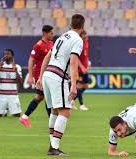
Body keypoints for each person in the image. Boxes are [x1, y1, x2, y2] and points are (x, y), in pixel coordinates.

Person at [36, 14, 85, 156]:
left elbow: (47, 57)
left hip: (47, 75)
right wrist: (74, 85)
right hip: (58, 77)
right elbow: (74, 62)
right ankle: (54, 147)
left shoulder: (62, 37)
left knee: (54, 111)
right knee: (65, 112)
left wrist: (40, 77)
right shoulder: (78, 40)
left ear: (70, 24)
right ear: (82, 27)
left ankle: (52, 145)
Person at [19, 25, 54, 128]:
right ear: (45, 33)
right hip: (40, 75)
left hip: (48, 74)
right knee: (48, 98)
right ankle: (52, 125)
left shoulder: (52, 44)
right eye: (51, 33)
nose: (53, 35)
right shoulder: (38, 45)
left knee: (40, 97)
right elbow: (31, 60)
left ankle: (24, 117)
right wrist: (30, 76)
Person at [0, 49, 22, 117]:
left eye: (8, 54)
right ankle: (5, 110)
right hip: (2, 95)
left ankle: (6, 109)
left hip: (13, 95)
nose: (6, 56)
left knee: (17, 115)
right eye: (4, 54)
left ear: (12, 56)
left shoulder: (17, 66)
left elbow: (19, 81)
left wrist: (15, 70)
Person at [71, 30, 90, 111]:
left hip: (85, 68)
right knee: (78, 86)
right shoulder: (78, 44)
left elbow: (85, 56)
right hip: (78, 69)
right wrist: (81, 67)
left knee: (85, 86)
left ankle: (71, 101)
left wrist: (87, 64)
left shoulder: (86, 42)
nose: (85, 37)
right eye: (83, 36)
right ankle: (81, 105)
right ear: (80, 36)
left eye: (86, 35)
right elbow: (76, 57)